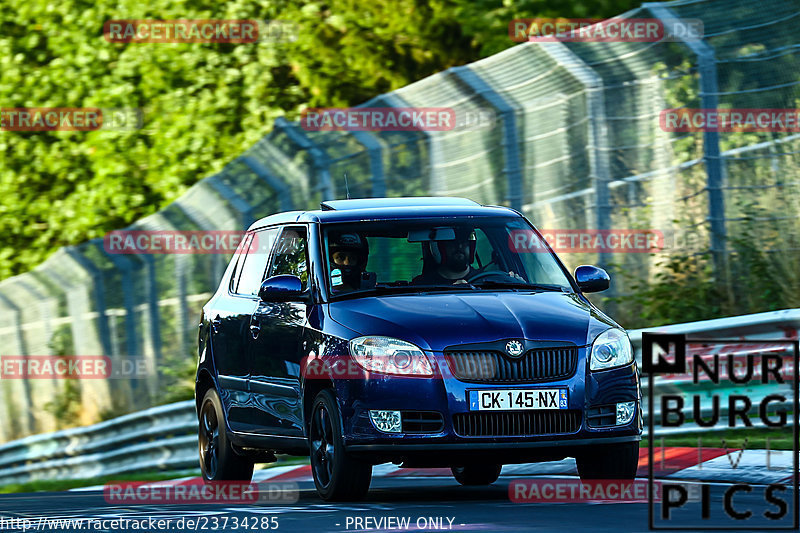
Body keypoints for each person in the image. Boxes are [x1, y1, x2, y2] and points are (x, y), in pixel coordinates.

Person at [412, 229, 477, 285]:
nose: (459, 247)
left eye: (464, 243)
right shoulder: (422, 285)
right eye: (452, 243)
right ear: (439, 248)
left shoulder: (484, 281)